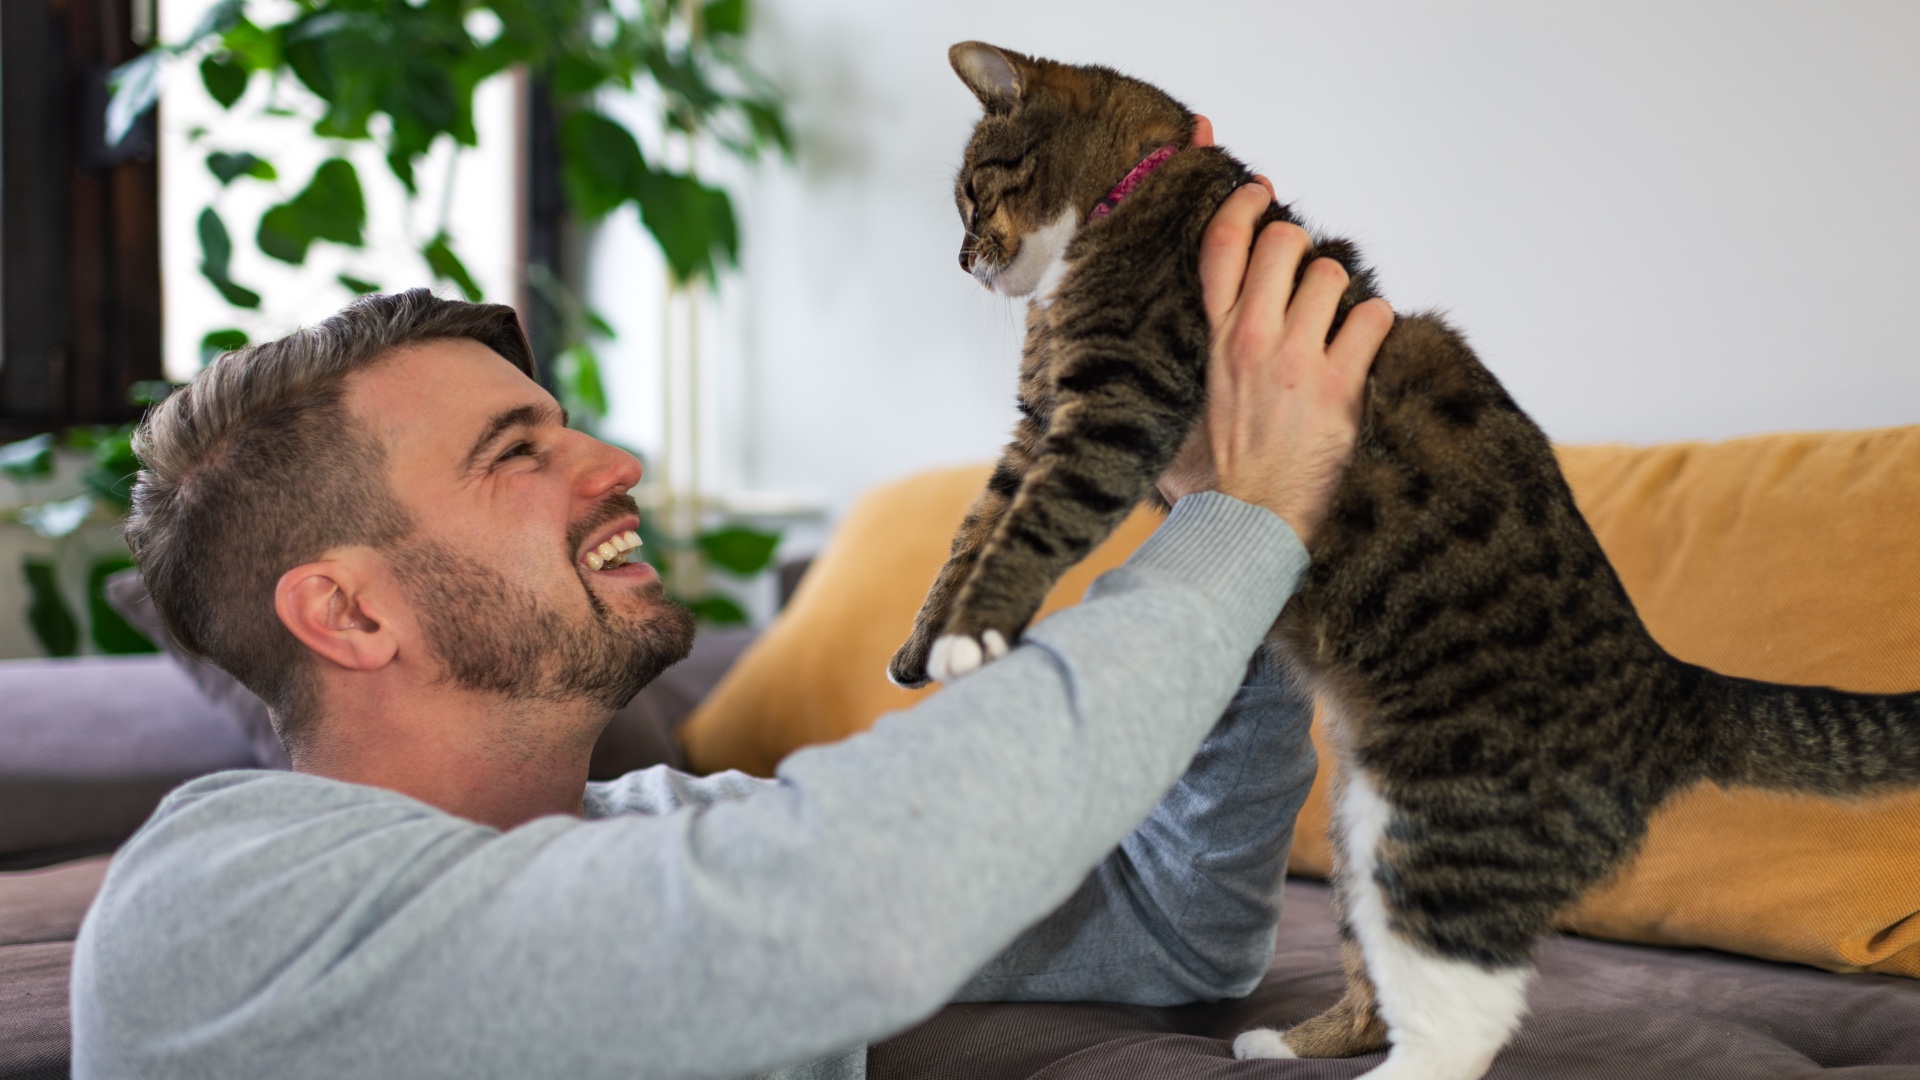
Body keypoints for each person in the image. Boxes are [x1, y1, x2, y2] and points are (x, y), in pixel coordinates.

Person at [68, 168, 1393, 1078]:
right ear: (348, 611)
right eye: (514, 453)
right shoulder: (215, 905)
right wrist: (1248, 530)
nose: (614, 464)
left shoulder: (672, 832)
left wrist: (1215, 509)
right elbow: (841, 904)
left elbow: (1177, 931)